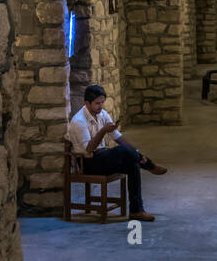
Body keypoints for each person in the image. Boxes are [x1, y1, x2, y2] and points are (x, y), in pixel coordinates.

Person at [66, 84, 167, 222]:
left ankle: (136, 211)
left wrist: (136, 153)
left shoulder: (101, 113)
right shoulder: (78, 121)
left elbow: (118, 137)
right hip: (88, 162)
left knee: (132, 163)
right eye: (97, 103)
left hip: (102, 157)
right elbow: (89, 149)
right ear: (87, 103)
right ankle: (149, 165)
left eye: (102, 102)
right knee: (123, 152)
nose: (100, 106)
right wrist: (103, 131)